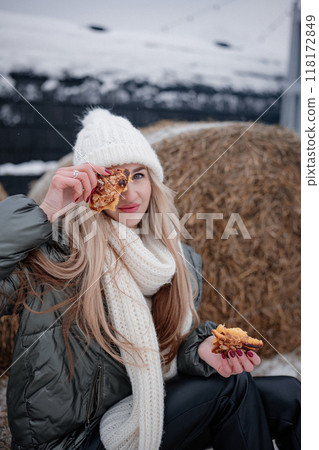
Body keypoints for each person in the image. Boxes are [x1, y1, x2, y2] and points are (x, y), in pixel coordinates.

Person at [0, 108, 300, 450]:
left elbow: (160, 353)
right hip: (72, 440)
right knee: (228, 390)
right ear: (89, 189)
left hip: (138, 407)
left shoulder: (176, 261)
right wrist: (44, 214)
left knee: (291, 396)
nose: (129, 194)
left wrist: (196, 350)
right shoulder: (56, 254)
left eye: (138, 175)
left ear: (153, 180)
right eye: (112, 179)